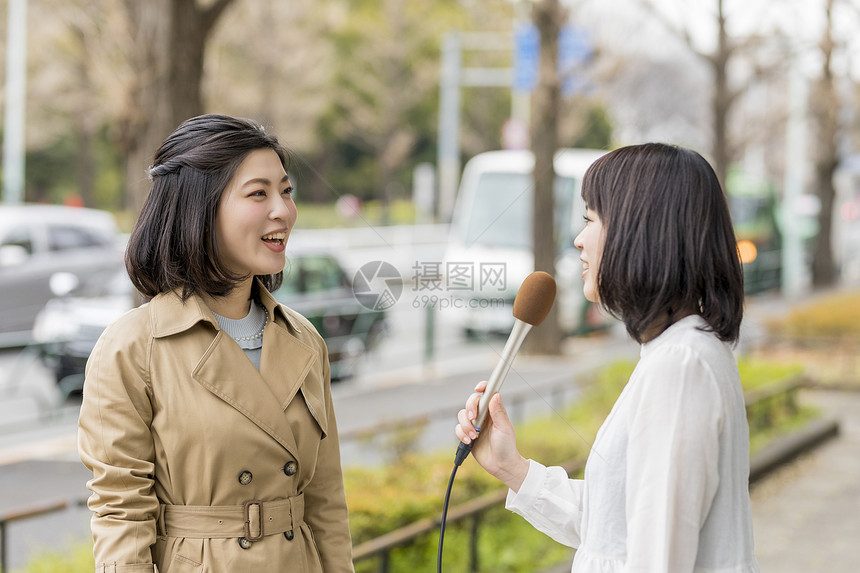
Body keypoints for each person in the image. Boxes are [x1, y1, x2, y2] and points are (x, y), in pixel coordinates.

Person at [455, 143, 760, 572]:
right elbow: (615, 530)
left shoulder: (680, 366)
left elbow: (657, 560)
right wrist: (514, 469)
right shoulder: (679, 354)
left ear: (642, 230)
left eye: (590, 219)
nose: (579, 240)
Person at [78, 114, 354, 573]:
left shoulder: (303, 339)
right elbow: (120, 514)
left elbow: (326, 503)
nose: (283, 210)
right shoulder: (131, 348)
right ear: (200, 207)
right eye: (258, 193)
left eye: (286, 191)